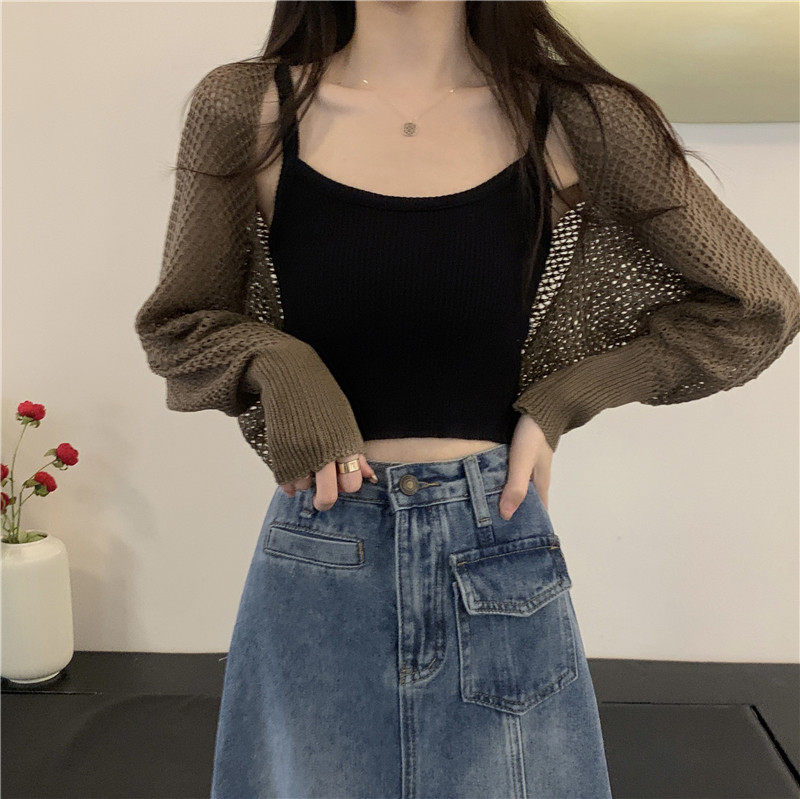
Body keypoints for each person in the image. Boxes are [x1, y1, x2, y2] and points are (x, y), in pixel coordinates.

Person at [134, 2, 800, 797]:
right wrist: (281, 363)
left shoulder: (573, 117)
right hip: (322, 552)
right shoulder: (250, 110)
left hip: (495, 547)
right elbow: (180, 324)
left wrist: (566, 398)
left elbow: (758, 305)